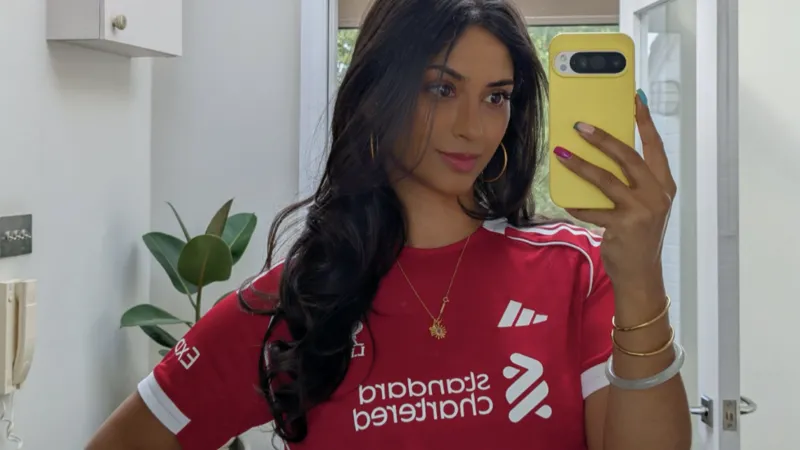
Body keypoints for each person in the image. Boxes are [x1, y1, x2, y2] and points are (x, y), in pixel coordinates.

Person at [87, 0, 692, 449]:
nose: (472, 127)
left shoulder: (576, 269)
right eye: (441, 88)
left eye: (495, 96)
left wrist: (641, 277)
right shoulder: (298, 301)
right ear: (380, 92)